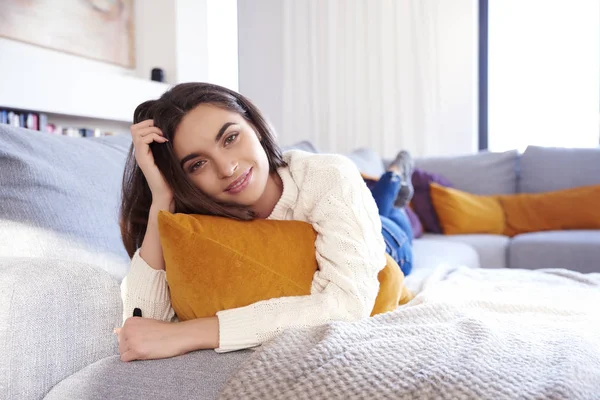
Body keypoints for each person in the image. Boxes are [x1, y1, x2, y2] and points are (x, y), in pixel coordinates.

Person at [115, 82, 414, 362]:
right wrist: (161, 196)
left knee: (391, 215)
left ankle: (396, 176)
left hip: (388, 242)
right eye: (198, 164)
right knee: (381, 202)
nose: (228, 168)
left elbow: (348, 304)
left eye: (230, 138)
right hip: (340, 208)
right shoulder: (197, 222)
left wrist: (192, 332)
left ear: (255, 127)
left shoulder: (328, 175)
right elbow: (143, 326)